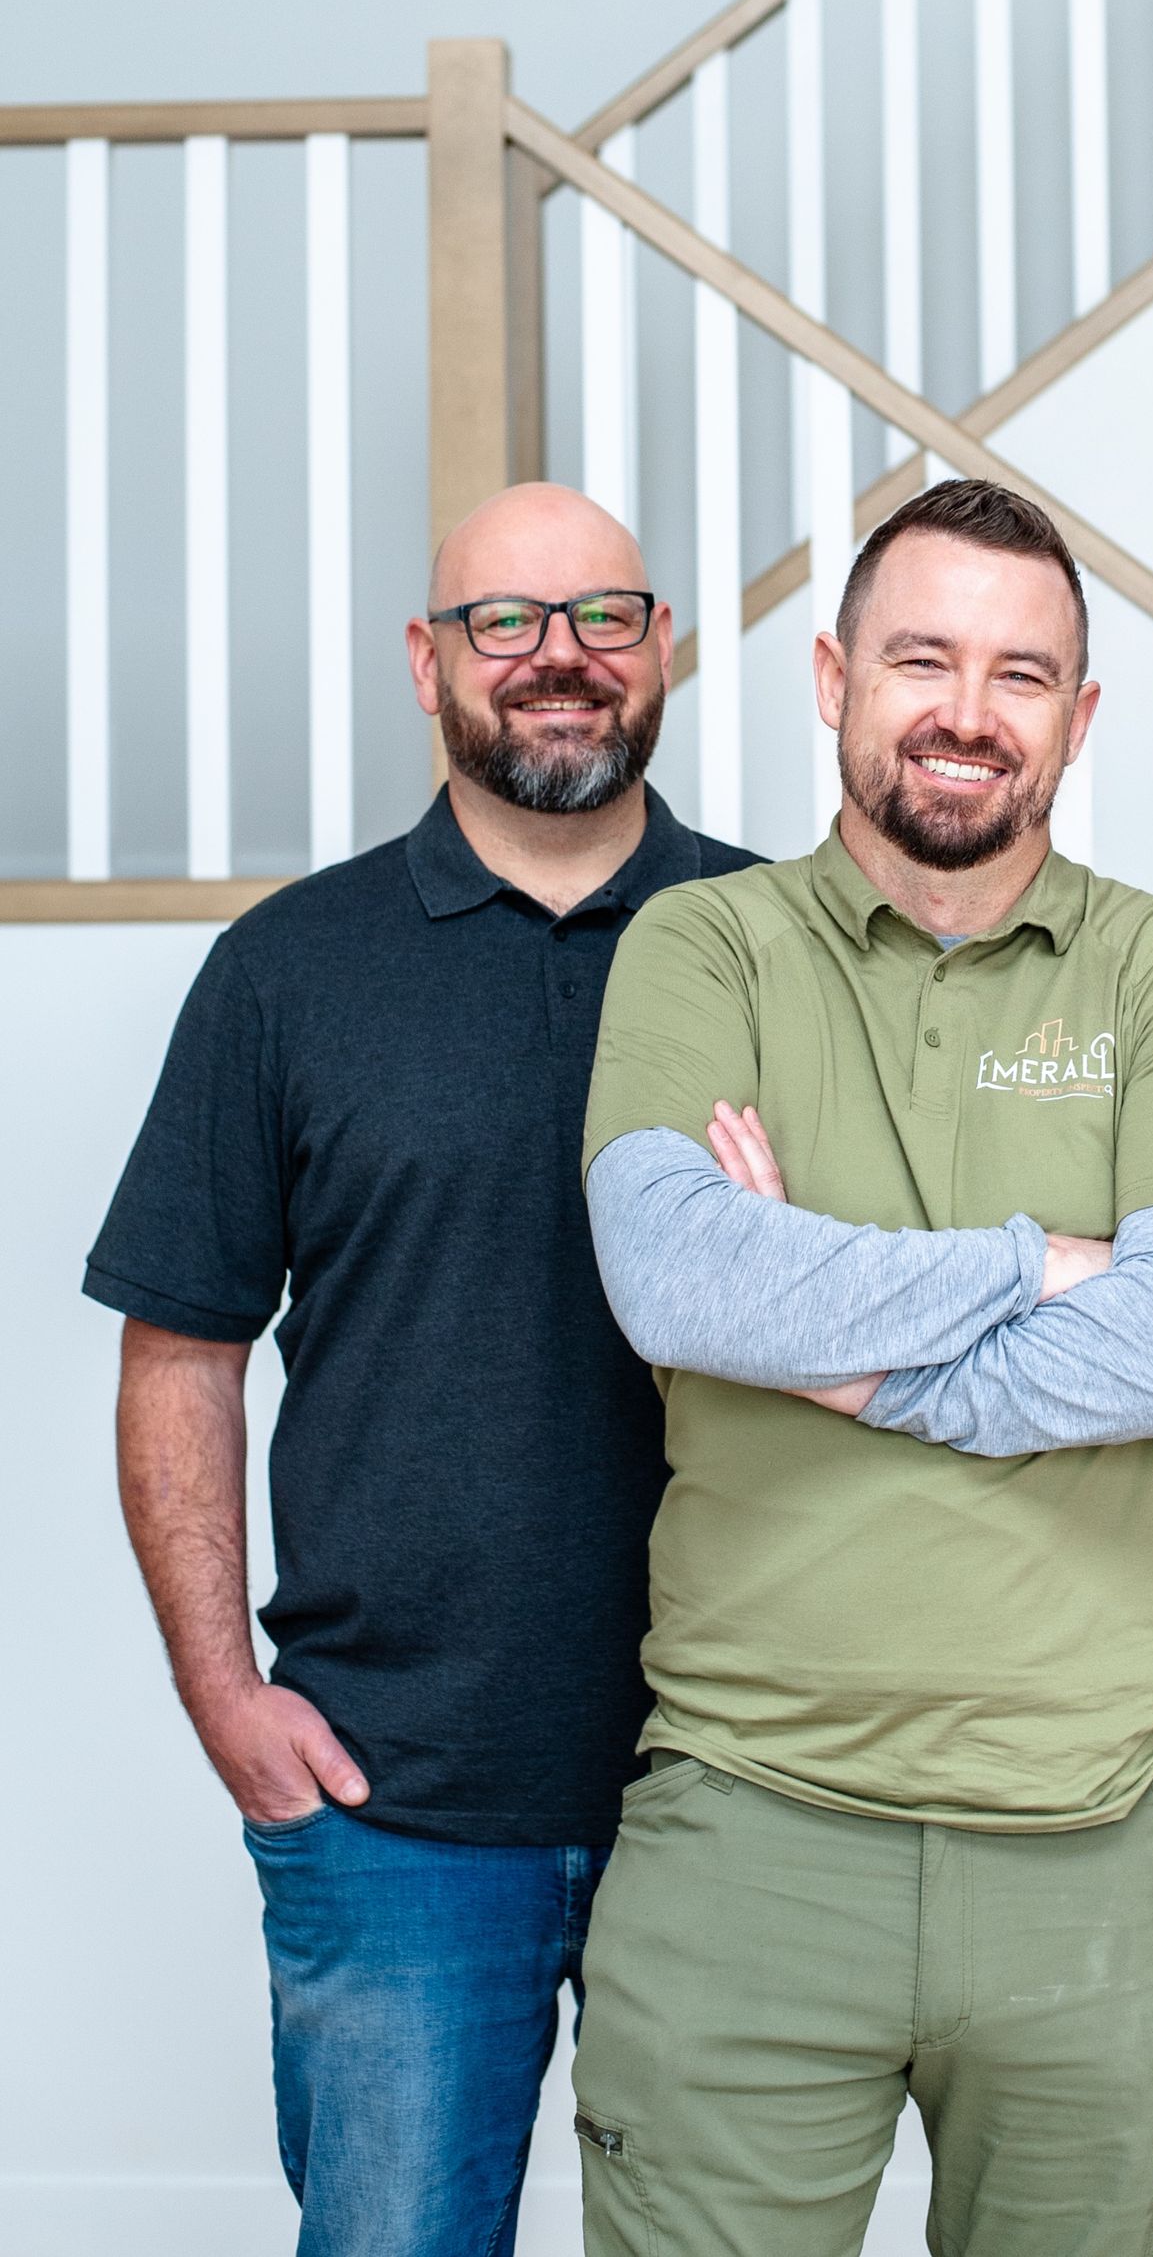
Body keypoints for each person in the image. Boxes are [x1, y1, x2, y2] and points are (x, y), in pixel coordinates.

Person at [572, 474, 1153, 2257]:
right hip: (751, 1831)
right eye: (922, 658)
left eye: (1021, 674)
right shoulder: (703, 942)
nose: (968, 710)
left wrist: (819, 1342)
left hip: (1100, 1846)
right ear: (831, 678)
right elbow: (675, 1277)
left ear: (1081, 717)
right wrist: (1037, 1269)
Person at [83, 483, 756, 2257]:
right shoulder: (290, 973)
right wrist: (225, 1691)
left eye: (604, 616)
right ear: (427, 662)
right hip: (395, 1804)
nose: (559, 662)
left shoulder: (790, 946)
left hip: (741, 1782)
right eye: (505, 623)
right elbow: (181, 1352)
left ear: (662, 646)